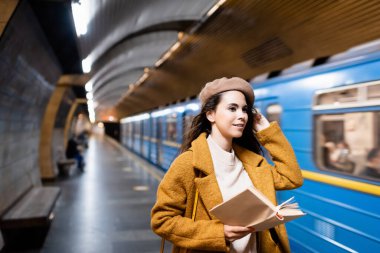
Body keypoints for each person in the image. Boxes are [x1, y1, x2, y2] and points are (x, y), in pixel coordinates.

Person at [151, 77, 303, 253]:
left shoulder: (253, 163)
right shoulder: (188, 164)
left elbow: (292, 178)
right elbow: (162, 220)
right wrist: (218, 233)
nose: (242, 116)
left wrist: (267, 131)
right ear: (211, 114)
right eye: (232, 108)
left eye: (245, 110)